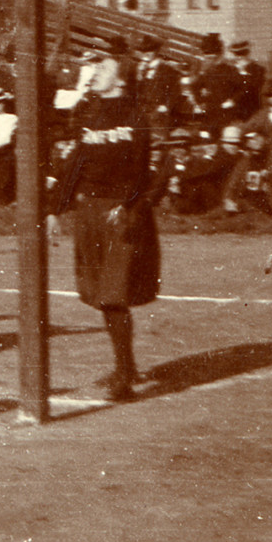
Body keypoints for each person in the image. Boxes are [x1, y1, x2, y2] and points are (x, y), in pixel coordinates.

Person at [51, 46, 160, 402]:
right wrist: (55, 209)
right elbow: (76, 165)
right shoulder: (90, 112)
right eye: (92, 66)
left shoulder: (135, 114)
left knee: (114, 294)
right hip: (91, 212)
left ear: (121, 75)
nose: (94, 71)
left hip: (120, 212)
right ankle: (124, 367)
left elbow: (143, 171)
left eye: (103, 66)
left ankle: (125, 376)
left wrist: (128, 205)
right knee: (102, 295)